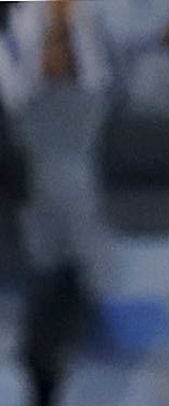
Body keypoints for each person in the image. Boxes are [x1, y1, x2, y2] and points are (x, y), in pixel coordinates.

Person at [0, 0, 115, 344]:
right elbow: (19, 91)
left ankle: (81, 293)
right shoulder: (17, 26)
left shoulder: (82, 16)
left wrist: (62, 24)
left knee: (69, 192)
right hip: (26, 130)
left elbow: (84, 79)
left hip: (72, 121)